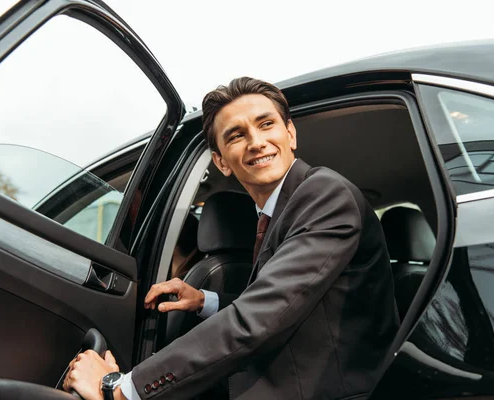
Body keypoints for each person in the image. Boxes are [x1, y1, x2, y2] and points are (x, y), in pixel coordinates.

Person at [64, 77, 400, 400]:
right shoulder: (280, 212)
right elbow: (290, 306)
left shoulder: (323, 194)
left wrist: (121, 388)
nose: (256, 142)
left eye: (266, 124)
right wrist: (203, 301)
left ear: (290, 133)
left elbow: (259, 318)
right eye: (237, 135)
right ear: (221, 161)